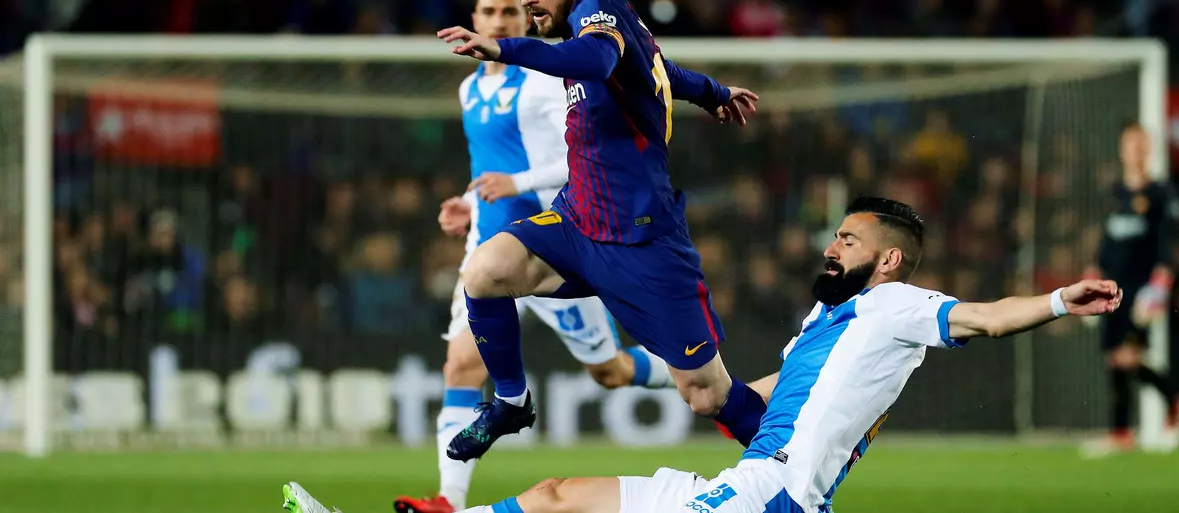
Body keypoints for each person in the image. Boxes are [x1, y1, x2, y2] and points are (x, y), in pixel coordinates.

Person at [281, 196, 1125, 513]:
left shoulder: (899, 306)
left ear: (889, 259)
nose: (831, 246)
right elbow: (743, 395)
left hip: (772, 498)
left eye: (848, 239)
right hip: (747, 485)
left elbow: (984, 318)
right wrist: (661, 375)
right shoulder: (822, 326)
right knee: (555, 494)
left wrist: (1059, 300)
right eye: (834, 235)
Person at [430, 0, 763, 463]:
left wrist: (503, 48)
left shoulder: (596, 13)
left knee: (707, 395)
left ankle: (797, 465)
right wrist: (713, 91)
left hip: (639, 239)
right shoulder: (601, 24)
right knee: (485, 271)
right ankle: (512, 403)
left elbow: (596, 58)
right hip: (577, 222)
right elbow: (659, 68)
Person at [395, 0, 675, 513]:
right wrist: (469, 202)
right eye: (489, 11)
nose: (499, 20)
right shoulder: (470, 88)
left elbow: (580, 161)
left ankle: (703, 381)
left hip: (551, 250)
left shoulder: (545, 81)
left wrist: (517, 184)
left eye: (509, 11)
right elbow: (491, 167)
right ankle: (447, 500)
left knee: (609, 372)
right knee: (460, 367)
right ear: (474, 20)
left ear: (524, 21)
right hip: (490, 254)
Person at [1082, 122, 1179, 457]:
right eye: (1130, 144)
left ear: (1149, 148)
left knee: (1128, 356)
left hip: (1142, 288)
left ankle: (1171, 402)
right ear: (1122, 149)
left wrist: (1159, 285)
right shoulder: (1113, 193)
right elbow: (1104, 242)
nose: (1136, 150)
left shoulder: (1161, 193)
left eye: (1141, 143)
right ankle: (1125, 431)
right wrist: (1092, 273)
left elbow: (1169, 242)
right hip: (1110, 287)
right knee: (1115, 359)